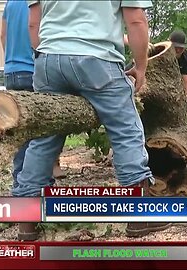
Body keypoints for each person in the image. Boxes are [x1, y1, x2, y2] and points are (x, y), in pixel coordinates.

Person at [14, 0, 168, 240]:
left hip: (49, 60)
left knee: (44, 138)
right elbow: (136, 20)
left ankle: (26, 222)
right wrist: (140, 66)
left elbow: (33, 23)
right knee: (125, 130)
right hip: (97, 59)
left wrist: (49, 57)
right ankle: (139, 216)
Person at [0, 0, 64, 202]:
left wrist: (13, 62)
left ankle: (20, 187)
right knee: (43, 133)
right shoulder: (41, 2)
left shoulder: (10, 3)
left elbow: (3, 36)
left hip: (11, 72)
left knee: (21, 134)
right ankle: (41, 190)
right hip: (34, 69)